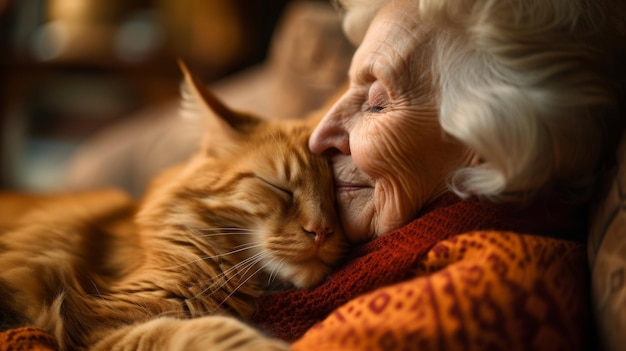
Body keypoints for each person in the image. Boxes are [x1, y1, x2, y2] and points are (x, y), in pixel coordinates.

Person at [250, 0, 626, 349]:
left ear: (492, 145)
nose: (319, 137)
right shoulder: (395, 253)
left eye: (376, 103)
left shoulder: (484, 295)